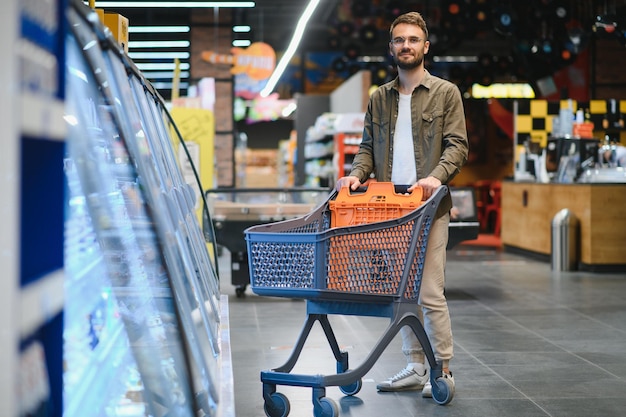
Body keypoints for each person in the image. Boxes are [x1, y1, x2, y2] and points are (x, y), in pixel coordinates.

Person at [335, 11, 469, 397]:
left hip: (429, 208)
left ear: (425, 47)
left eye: (413, 40)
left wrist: (436, 177)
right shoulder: (380, 97)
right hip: (390, 210)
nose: (405, 46)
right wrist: (356, 174)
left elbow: (457, 145)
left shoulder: (446, 93)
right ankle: (414, 365)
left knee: (428, 292)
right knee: (399, 291)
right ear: (391, 47)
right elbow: (366, 149)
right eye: (399, 40)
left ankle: (442, 371)